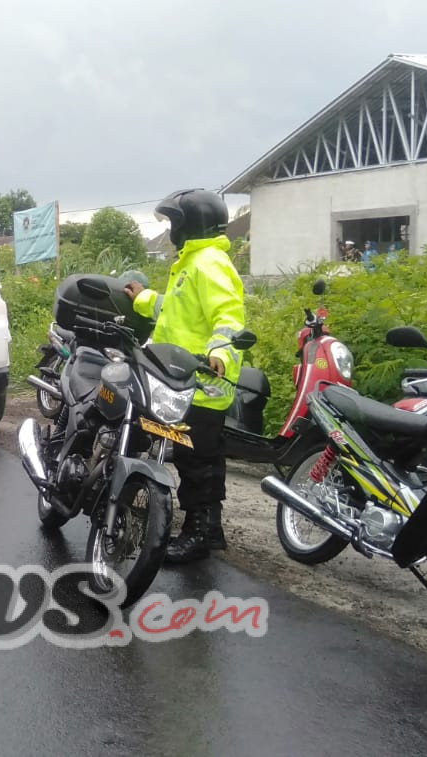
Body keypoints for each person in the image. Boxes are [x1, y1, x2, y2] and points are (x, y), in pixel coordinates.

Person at [124, 189, 245, 565]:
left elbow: (228, 315)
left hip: (203, 382)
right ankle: (201, 528)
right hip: (178, 380)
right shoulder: (192, 264)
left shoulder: (210, 263)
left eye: (175, 222)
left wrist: (220, 353)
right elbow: (174, 310)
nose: (172, 230)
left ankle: (202, 533)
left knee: (199, 462)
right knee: (194, 457)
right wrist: (142, 297)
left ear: (191, 224)